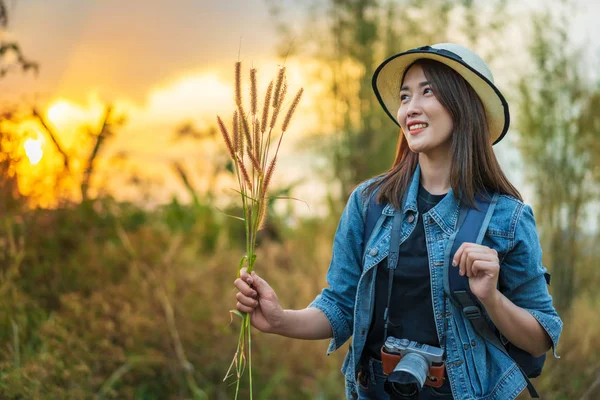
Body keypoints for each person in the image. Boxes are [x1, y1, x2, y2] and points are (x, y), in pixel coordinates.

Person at [234, 43, 563, 400]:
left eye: (428, 91)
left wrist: (491, 298)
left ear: (464, 105)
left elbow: (541, 336)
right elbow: (341, 306)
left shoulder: (506, 216)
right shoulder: (369, 203)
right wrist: (281, 319)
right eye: (405, 97)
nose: (410, 108)